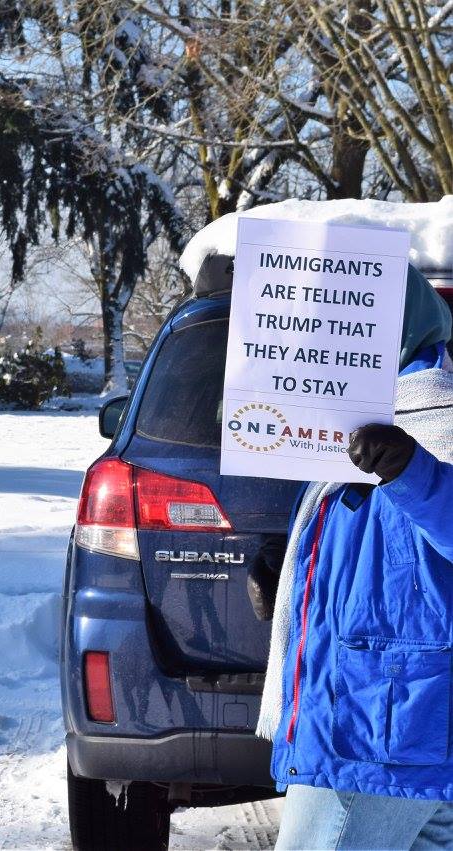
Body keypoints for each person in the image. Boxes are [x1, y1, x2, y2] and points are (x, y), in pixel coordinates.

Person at [258, 267, 453, 850]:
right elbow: (370, 549)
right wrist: (292, 573)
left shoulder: (440, 418)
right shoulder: (344, 424)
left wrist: (414, 474)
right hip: (377, 718)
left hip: (384, 729)